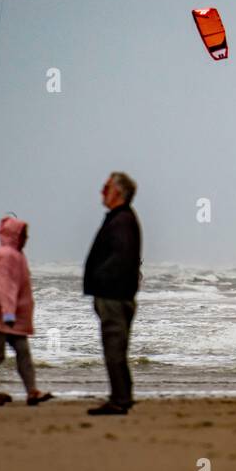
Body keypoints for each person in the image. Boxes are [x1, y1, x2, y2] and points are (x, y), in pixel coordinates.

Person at [84, 172, 143, 416]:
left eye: (106, 187)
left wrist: (101, 283)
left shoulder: (122, 220)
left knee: (114, 349)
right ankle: (123, 396)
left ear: (118, 192)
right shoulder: (121, 218)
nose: (101, 191)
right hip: (114, 294)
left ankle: (119, 400)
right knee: (115, 348)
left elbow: (122, 258)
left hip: (114, 297)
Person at [0, 216, 51, 407]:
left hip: (11, 314)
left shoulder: (15, 254)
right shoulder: (8, 255)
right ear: (14, 235)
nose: (27, 238)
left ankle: (32, 391)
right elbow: (5, 286)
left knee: (23, 352)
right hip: (1, 313)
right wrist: (8, 313)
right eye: (23, 234)